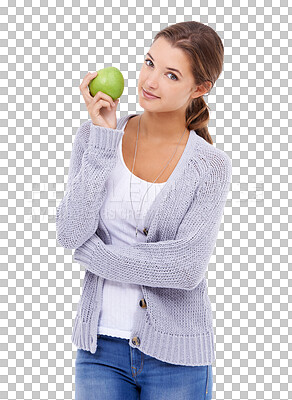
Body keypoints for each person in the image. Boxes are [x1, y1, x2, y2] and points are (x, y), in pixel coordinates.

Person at [56, 20, 231, 400]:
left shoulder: (210, 165)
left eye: (171, 74)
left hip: (177, 358)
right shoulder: (95, 137)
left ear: (199, 89)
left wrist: (96, 255)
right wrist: (104, 138)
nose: (150, 82)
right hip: (100, 349)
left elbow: (186, 268)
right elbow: (70, 232)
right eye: (150, 63)